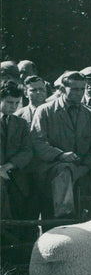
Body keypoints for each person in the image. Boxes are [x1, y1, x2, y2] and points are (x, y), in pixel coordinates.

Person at [31, 71, 91, 217]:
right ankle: (62, 219)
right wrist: (60, 155)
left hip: (82, 173)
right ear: (63, 89)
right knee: (55, 225)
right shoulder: (45, 111)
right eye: (75, 89)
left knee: (84, 222)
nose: (80, 93)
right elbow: (37, 141)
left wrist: (85, 167)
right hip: (52, 172)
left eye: (82, 89)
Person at [0, 81, 33, 219]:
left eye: (16, 103)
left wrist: (7, 166)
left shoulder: (21, 123)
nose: (13, 107)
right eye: (9, 102)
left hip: (15, 176)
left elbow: (27, 151)